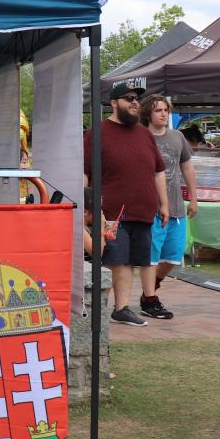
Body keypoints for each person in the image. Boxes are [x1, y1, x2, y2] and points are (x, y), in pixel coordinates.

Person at [83, 81, 169, 327]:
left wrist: (164, 204)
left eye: (136, 99)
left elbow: (158, 171)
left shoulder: (144, 133)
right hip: (111, 213)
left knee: (130, 260)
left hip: (142, 212)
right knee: (115, 259)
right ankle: (99, 311)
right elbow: (85, 172)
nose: (134, 102)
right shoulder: (97, 133)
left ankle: (121, 309)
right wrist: (85, 205)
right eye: (128, 98)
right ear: (114, 103)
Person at [137, 95, 197, 320]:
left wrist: (194, 197)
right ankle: (150, 300)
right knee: (151, 256)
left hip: (176, 207)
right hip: (149, 207)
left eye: (166, 110)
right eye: (158, 110)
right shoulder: (140, 136)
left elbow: (187, 167)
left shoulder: (177, 136)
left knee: (173, 256)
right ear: (147, 114)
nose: (163, 114)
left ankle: (151, 287)